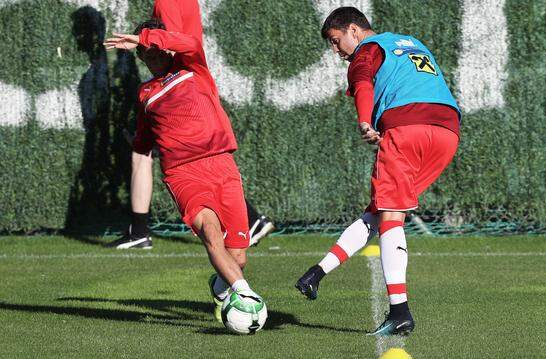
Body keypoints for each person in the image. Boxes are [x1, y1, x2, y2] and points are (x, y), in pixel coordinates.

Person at [295, 7, 460, 336]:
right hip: (447, 132)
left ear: (354, 30)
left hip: (407, 127)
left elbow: (362, 83)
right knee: (381, 211)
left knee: (390, 217)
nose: (336, 50)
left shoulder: (367, 50)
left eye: (335, 40)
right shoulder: (411, 42)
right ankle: (317, 273)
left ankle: (400, 311)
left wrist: (364, 120)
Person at [103, 17, 263, 323]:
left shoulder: (192, 68)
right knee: (209, 231)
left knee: (238, 256)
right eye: (145, 51)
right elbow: (144, 141)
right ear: (140, 58)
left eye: (155, 47)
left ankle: (223, 285)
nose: (152, 54)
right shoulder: (145, 94)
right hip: (182, 173)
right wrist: (135, 145)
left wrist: (146, 37)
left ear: (165, 44)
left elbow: (190, 43)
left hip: (221, 164)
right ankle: (247, 296)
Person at [106, 0, 274, 250]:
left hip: (180, 86)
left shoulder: (167, 2)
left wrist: (145, 40)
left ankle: (140, 230)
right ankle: (248, 221)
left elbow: (172, 45)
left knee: (150, 153)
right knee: (145, 150)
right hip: (188, 80)